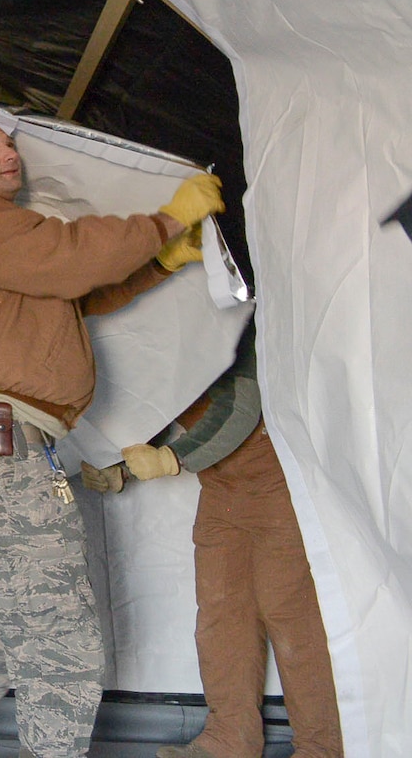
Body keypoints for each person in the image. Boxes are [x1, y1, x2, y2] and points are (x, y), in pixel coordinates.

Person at [0, 115, 221, 758]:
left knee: (9, 617)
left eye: (10, 145)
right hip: (2, 444)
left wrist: (158, 263)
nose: (9, 155)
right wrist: (164, 222)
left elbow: (74, 292)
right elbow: (69, 255)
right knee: (57, 631)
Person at [83, 324, 343, 758]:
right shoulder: (166, 329)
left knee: (290, 613)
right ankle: (229, 739)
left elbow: (241, 408)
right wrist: (123, 469)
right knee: (221, 614)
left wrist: (171, 459)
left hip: (280, 487)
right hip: (222, 493)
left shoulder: (233, 323)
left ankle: (323, 747)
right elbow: (168, 406)